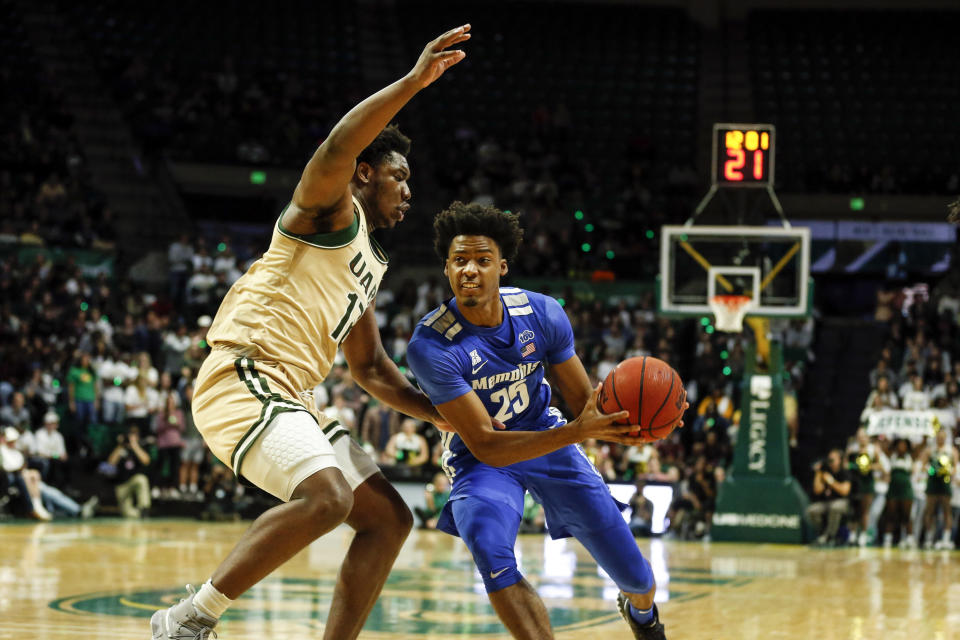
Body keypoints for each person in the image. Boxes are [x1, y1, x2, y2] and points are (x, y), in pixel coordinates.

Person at [150, 25, 472, 640]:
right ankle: (190, 619)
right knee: (329, 499)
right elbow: (337, 145)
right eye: (398, 177)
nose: (408, 191)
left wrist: (441, 414)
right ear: (363, 174)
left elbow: (372, 368)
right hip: (243, 377)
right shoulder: (326, 210)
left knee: (389, 519)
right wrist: (411, 83)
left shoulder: (369, 266)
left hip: (290, 399)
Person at [406, 203, 684, 640]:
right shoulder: (432, 345)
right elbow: (485, 444)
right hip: (483, 461)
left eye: (481, 260)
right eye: (460, 261)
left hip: (548, 435)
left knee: (638, 579)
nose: (470, 270)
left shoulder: (542, 313)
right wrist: (579, 431)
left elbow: (582, 402)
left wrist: (634, 423)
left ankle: (643, 614)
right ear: (446, 269)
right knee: (488, 543)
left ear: (502, 266)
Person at [921, 428, 958, 549]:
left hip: (945, 483)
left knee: (947, 510)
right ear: (936, 437)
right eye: (939, 436)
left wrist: (946, 471)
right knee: (929, 510)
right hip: (932, 482)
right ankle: (929, 538)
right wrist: (933, 471)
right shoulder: (930, 450)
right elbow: (923, 466)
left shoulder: (951, 451)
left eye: (943, 436)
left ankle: (946, 539)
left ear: (946, 437)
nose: (941, 438)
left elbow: (955, 469)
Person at [106, 425, 153, 518]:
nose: (131, 436)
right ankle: (139, 514)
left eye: (134, 434)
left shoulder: (139, 448)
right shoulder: (120, 448)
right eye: (130, 434)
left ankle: (144, 508)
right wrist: (120, 445)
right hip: (122, 486)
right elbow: (110, 463)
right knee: (128, 514)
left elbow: (146, 461)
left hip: (134, 481)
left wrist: (135, 446)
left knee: (142, 479)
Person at [807, 449, 852, 545]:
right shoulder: (825, 471)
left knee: (835, 507)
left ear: (839, 460)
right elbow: (817, 490)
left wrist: (831, 482)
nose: (830, 462)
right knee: (812, 510)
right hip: (827, 502)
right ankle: (822, 533)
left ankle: (830, 536)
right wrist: (818, 473)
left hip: (843, 502)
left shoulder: (844, 472)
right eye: (829, 460)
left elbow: (844, 491)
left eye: (833, 460)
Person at [882, 438, 917, 548]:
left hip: (906, 489)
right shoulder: (891, 455)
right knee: (891, 514)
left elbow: (922, 447)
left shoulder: (911, 456)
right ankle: (888, 538)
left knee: (906, 515)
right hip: (893, 489)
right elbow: (883, 448)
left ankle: (909, 538)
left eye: (904, 444)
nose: (901, 446)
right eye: (899, 444)